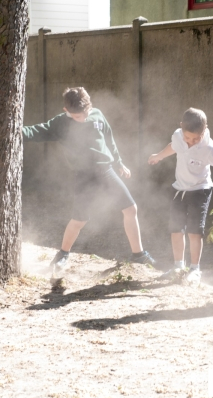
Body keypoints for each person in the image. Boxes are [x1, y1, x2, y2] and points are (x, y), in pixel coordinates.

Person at [22, 87, 155, 278]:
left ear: (89, 107)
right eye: (76, 117)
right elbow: (39, 130)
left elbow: (109, 138)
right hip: (84, 176)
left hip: (107, 171)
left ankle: (138, 255)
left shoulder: (98, 115)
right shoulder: (61, 122)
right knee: (79, 219)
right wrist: (18, 131)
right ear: (66, 110)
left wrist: (119, 163)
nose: (82, 119)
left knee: (131, 209)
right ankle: (62, 254)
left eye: (84, 114)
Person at [148, 108, 213, 285]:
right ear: (181, 128)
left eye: (196, 138)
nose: (192, 142)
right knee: (176, 229)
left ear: (204, 130)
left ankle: (195, 269)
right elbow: (174, 146)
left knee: (195, 231)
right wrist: (159, 156)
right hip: (179, 189)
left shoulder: (209, 148)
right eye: (188, 138)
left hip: (200, 191)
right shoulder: (179, 136)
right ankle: (178, 267)